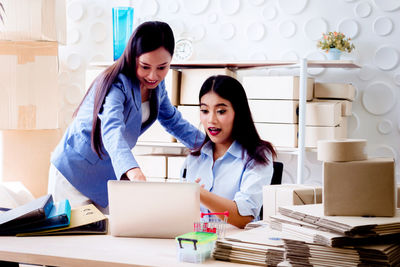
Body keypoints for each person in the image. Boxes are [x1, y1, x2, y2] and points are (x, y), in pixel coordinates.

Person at [48, 21, 204, 210]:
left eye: (162, 68)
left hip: (105, 174)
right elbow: (112, 130)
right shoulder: (116, 84)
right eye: (145, 67)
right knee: (75, 237)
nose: (153, 75)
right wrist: (134, 172)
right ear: (133, 58)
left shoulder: (156, 86)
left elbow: (172, 120)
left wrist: (211, 146)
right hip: (73, 172)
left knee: (107, 234)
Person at [181, 75, 276, 229]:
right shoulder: (194, 157)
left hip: (236, 246)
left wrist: (200, 194)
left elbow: (244, 218)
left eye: (221, 111)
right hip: (196, 242)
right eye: (204, 110)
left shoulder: (257, 156)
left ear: (238, 112)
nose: (211, 119)